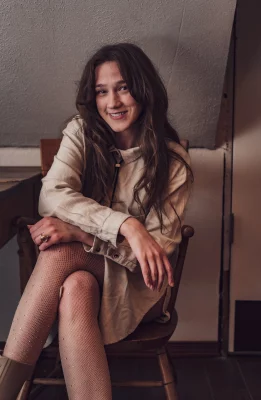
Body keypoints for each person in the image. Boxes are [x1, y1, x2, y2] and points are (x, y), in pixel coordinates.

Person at [0, 43, 192, 400]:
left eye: (122, 87)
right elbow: (52, 195)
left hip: (139, 291)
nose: (113, 102)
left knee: (60, 255)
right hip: (86, 276)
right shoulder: (82, 132)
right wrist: (126, 225)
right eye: (102, 91)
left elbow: (151, 258)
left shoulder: (173, 163)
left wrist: (78, 231)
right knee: (75, 288)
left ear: (144, 88)